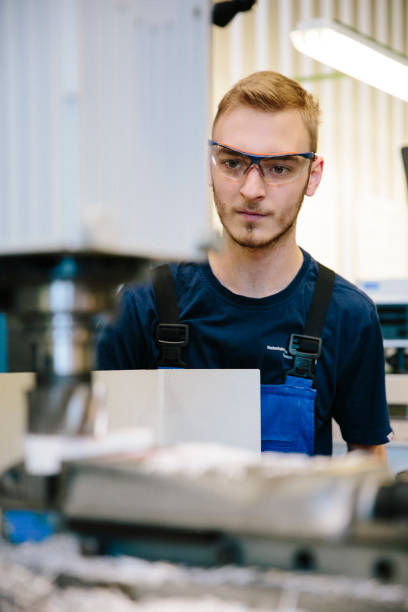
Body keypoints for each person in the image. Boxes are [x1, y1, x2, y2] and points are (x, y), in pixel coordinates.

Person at [97, 71, 392, 458]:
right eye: (233, 163)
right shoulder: (142, 303)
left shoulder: (348, 315)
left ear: (313, 175)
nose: (251, 190)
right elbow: (98, 452)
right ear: (209, 164)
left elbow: (367, 457)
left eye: (279, 168)